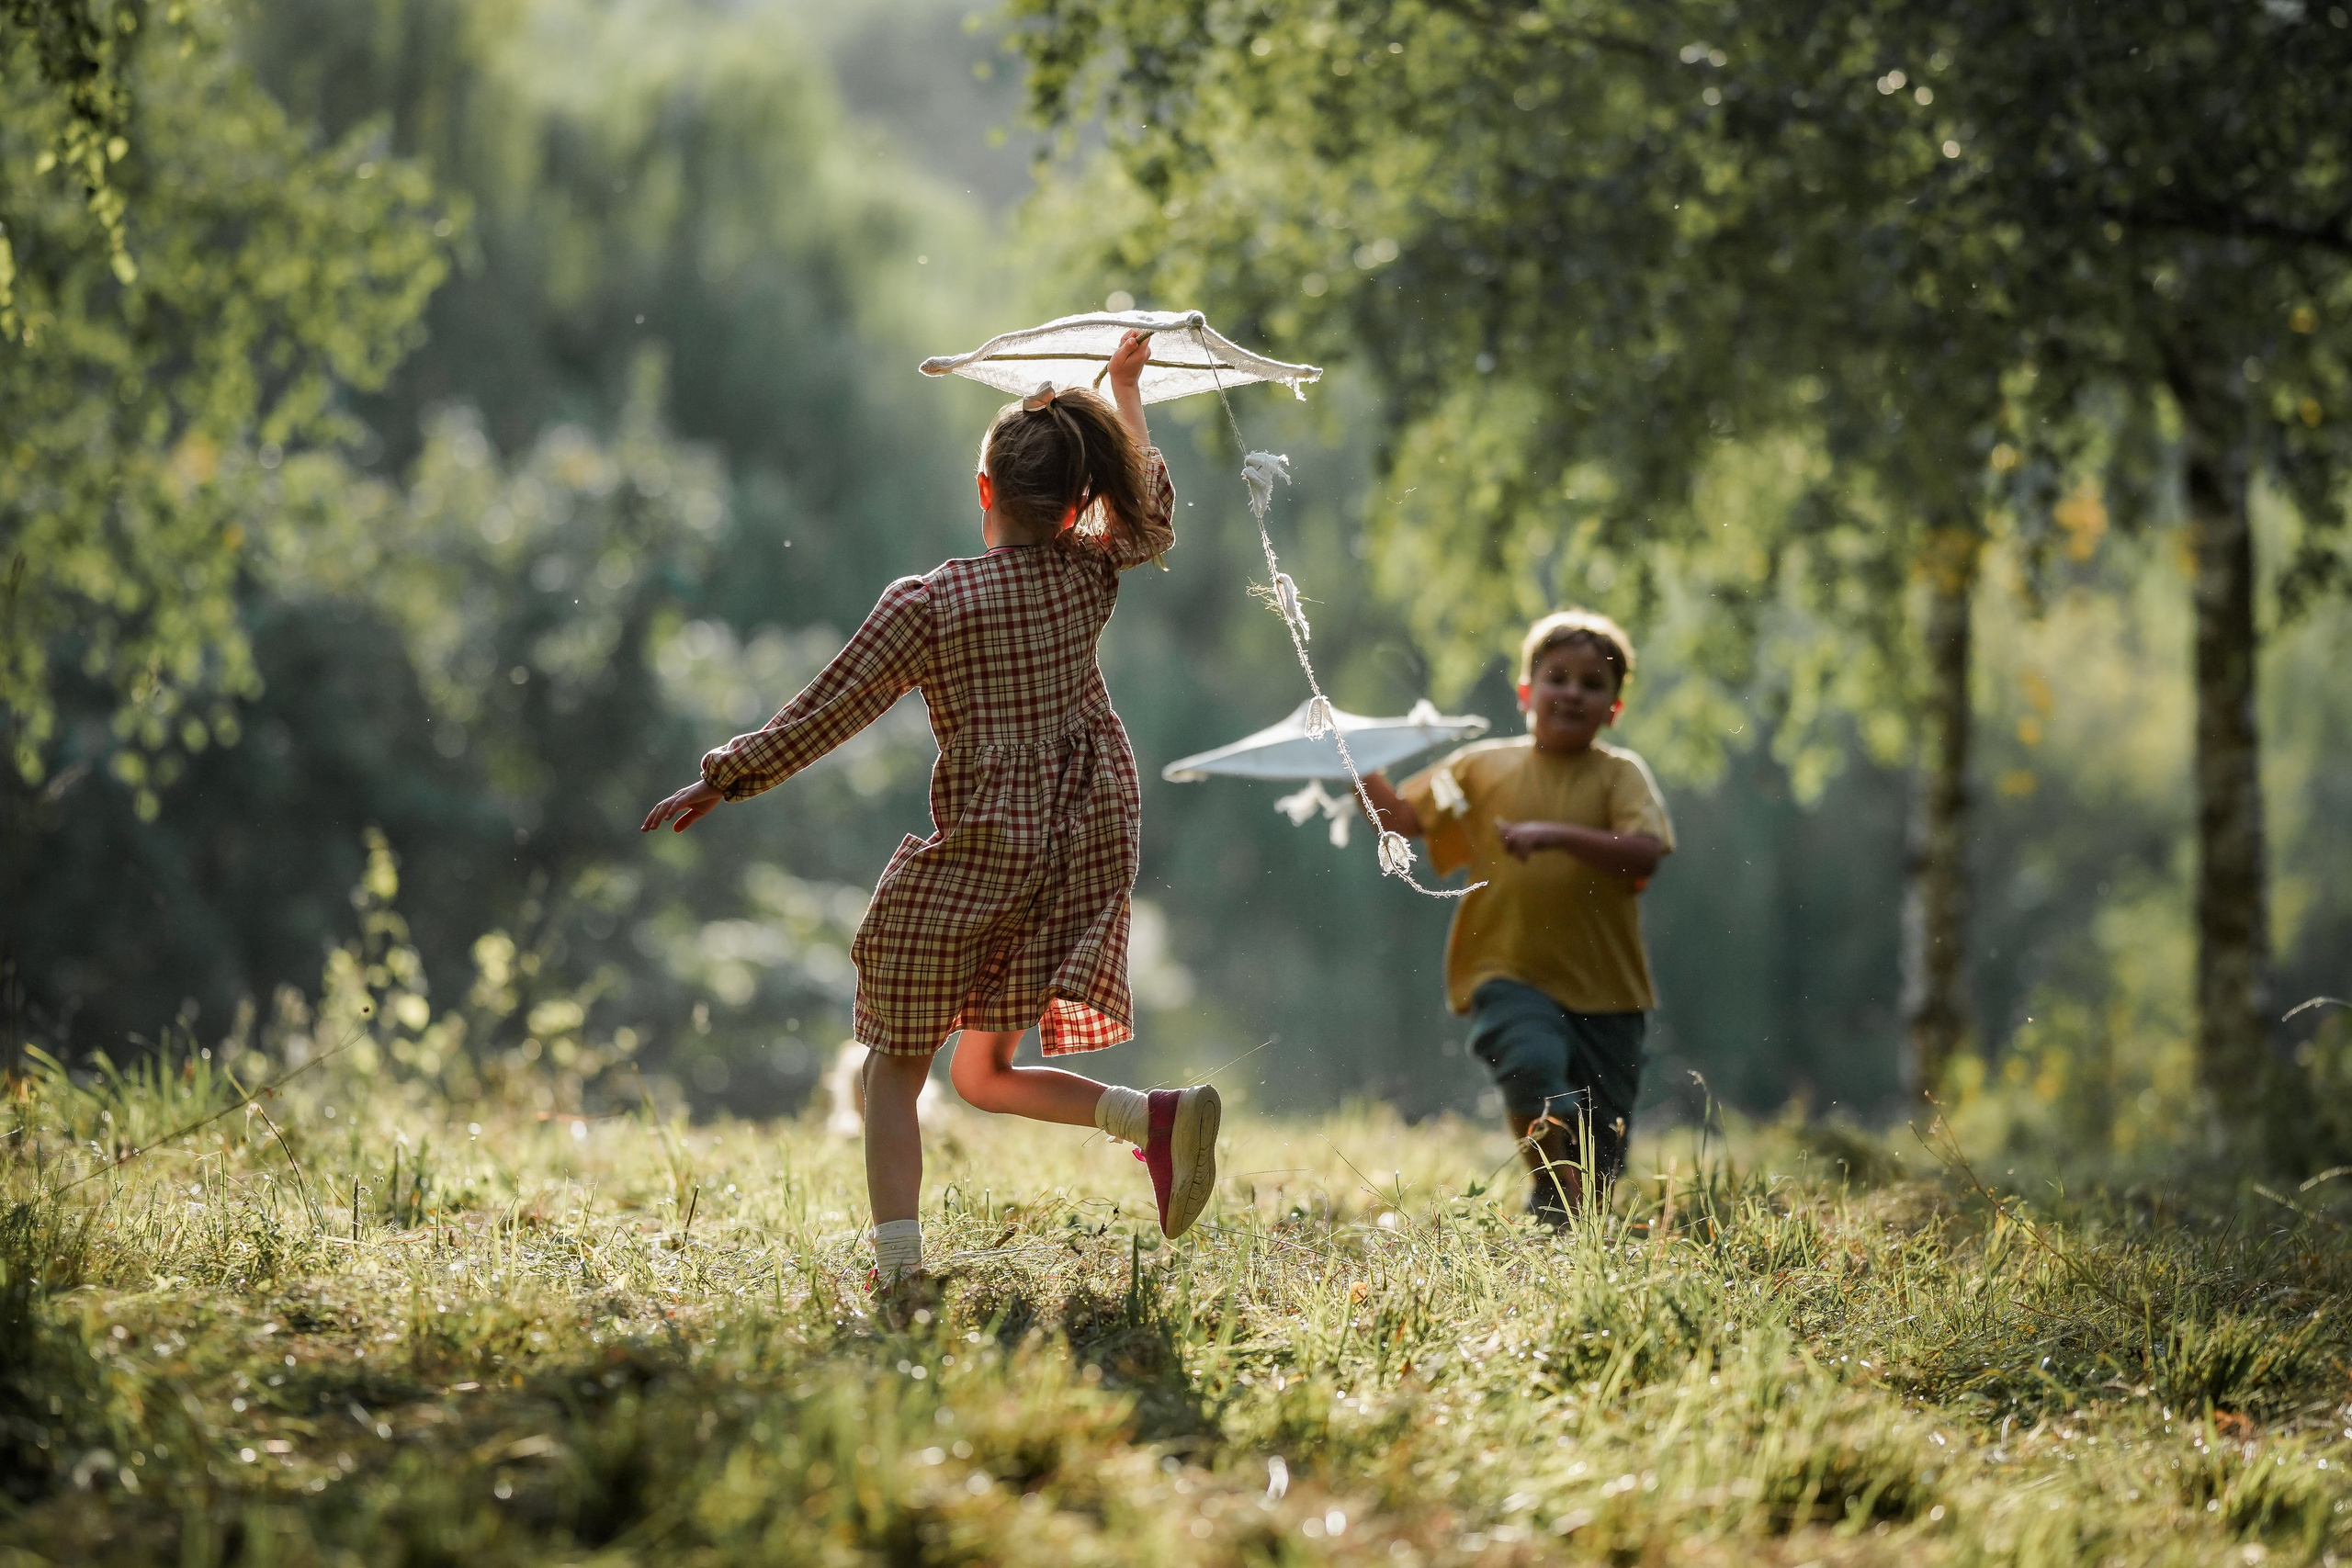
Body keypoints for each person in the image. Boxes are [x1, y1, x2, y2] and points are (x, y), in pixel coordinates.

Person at [643, 330, 1218, 1306]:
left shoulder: (933, 603)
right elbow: (1150, 516)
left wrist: (724, 776)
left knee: (890, 1069)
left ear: (983, 489)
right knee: (981, 1073)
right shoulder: (1090, 571)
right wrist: (1127, 391)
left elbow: (829, 710)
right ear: (1080, 502)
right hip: (1084, 837)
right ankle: (1151, 1120)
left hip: (991, 845)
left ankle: (902, 1271)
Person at [1360, 609, 1673, 1224]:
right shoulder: (1481, 769)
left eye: (1592, 683)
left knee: (1602, 1148)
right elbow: (1401, 817)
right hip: (1505, 968)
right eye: (1558, 677)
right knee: (1530, 1067)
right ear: (1527, 691)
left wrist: (1555, 835)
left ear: (1615, 707)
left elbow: (1646, 852)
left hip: (1610, 990)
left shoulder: (1621, 776)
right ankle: (1548, 1189)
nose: (1573, 692)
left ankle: (1580, 1220)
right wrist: (1352, 762)